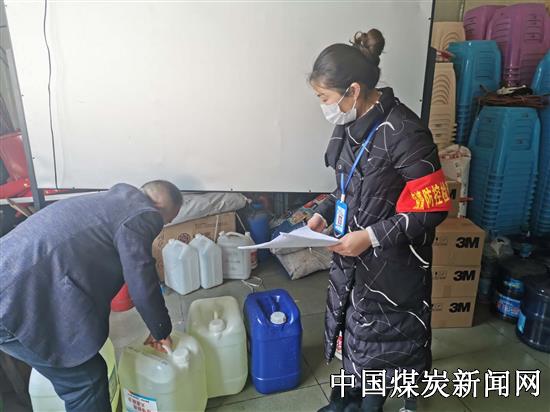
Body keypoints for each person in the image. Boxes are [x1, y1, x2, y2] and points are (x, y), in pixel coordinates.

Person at [307, 30, 451, 412]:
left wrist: (370, 236)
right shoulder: (350, 124)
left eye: (324, 97)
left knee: (385, 348)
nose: (323, 106)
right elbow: (348, 186)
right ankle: (347, 402)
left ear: (353, 91)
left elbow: (433, 207)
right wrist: (323, 213)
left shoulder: (406, 133)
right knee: (353, 338)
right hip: (352, 261)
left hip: (392, 268)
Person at [0, 180, 182, 411]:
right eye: (167, 220)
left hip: (13, 278)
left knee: (84, 364)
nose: (161, 226)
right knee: (85, 382)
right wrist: (161, 329)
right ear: (159, 208)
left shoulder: (107, 201)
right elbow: (141, 279)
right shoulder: (141, 214)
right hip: (11, 298)